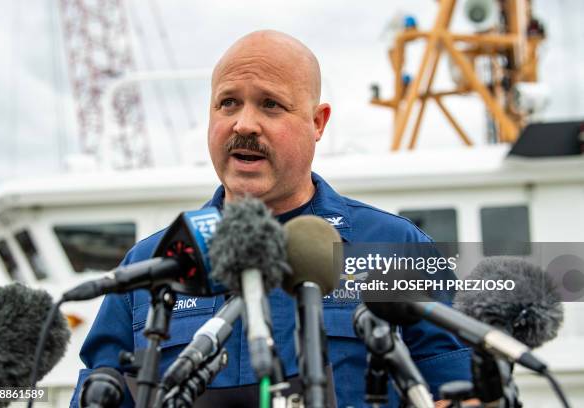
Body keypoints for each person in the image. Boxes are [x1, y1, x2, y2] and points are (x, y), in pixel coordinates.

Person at [70, 30, 471, 407]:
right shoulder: (149, 262)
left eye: (270, 104)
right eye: (228, 103)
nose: (244, 124)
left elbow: (460, 390)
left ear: (318, 123)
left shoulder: (397, 247)